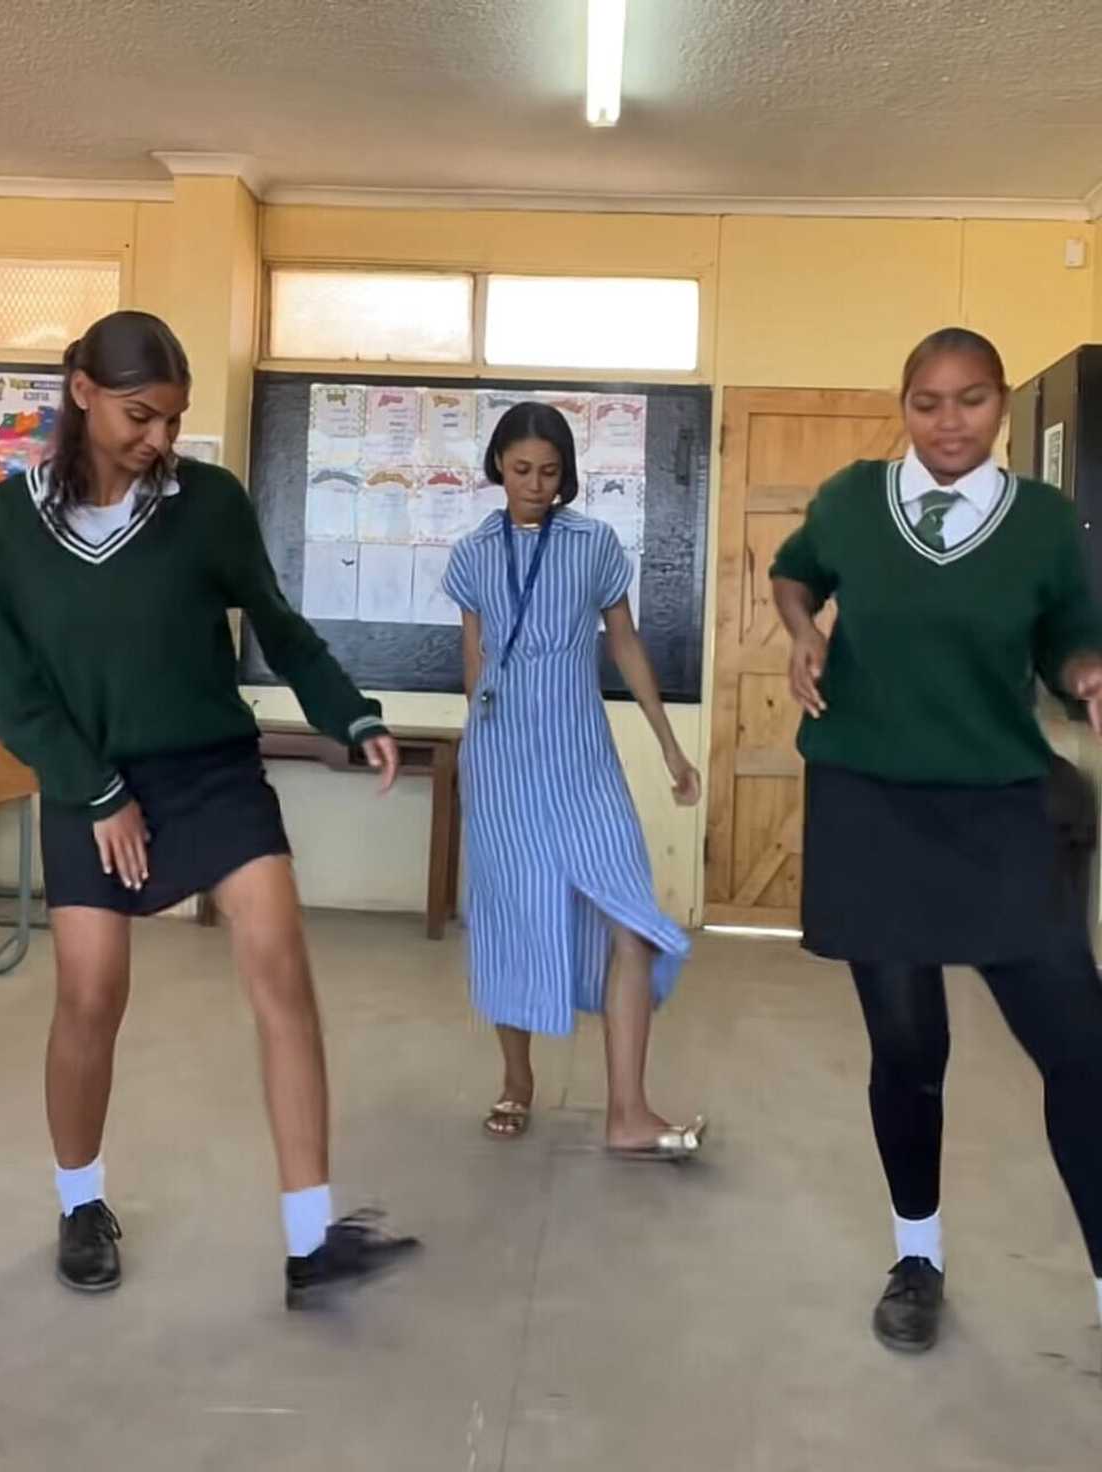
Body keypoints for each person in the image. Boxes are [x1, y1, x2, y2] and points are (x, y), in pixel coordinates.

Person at [0, 311, 418, 1308]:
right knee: (91, 999)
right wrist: (97, 795)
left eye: (172, 421)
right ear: (82, 392)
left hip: (213, 772)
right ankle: (80, 1202)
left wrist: (352, 715)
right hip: (89, 780)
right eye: (141, 416)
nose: (158, 442)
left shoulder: (209, 504)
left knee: (282, 971)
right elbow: (16, 693)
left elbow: (280, 626)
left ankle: (312, 1241)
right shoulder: (8, 523)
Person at [770, 326, 1102, 1353]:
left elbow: (1067, 632)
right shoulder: (851, 501)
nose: (947, 421)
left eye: (968, 400)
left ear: (999, 405)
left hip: (1000, 807)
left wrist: (1087, 673)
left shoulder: (1043, 522)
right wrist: (802, 628)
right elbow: (792, 570)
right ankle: (917, 1258)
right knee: (909, 1048)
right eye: (926, 401)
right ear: (902, 404)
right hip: (871, 803)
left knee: (1082, 1052)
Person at [442, 401, 705, 1157]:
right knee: (513, 913)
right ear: (498, 467)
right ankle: (516, 1078)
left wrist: (668, 745)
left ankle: (629, 1109)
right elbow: (474, 658)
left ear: (568, 476)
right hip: (501, 760)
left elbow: (623, 645)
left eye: (551, 472)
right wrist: (481, 744)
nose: (535, 484)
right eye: (522, 470)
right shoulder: (471, 554)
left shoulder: (594, 543)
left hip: (582, 757)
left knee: (630, 917)